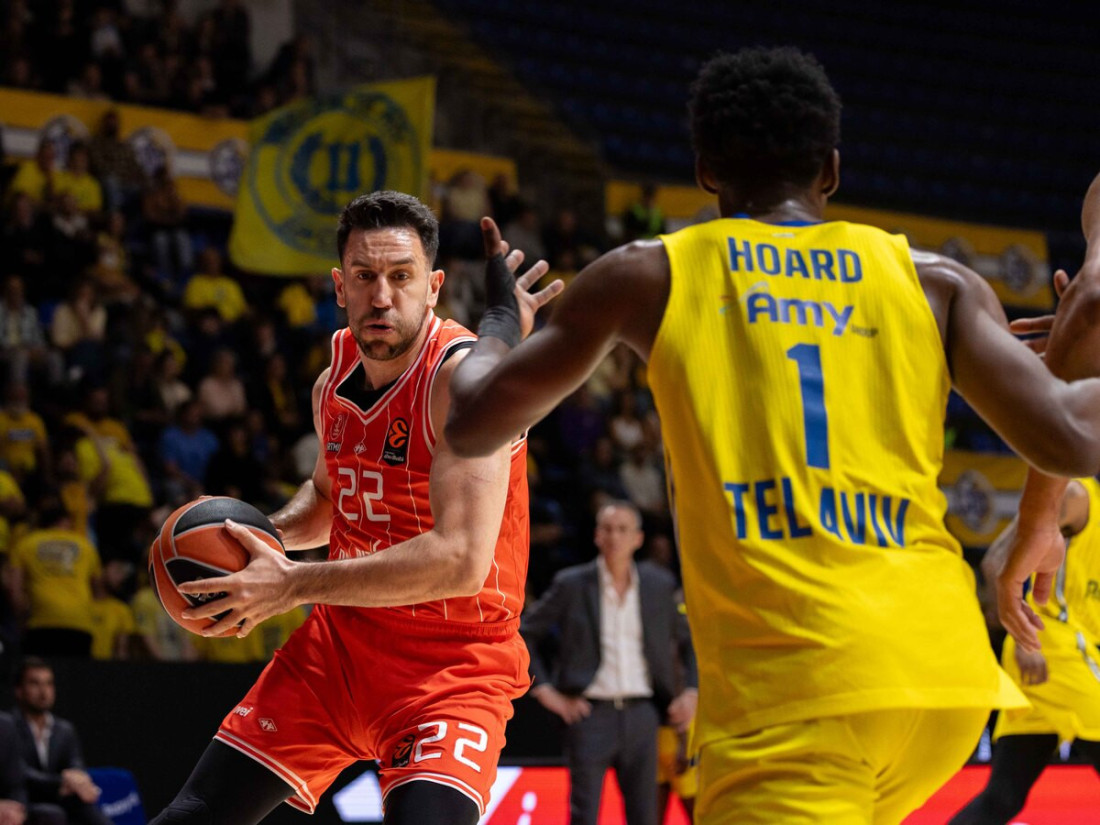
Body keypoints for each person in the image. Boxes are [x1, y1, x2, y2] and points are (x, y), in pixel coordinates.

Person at [446, 46, 1100, 824]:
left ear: (705, 170)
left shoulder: (648, 274)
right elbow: (1067, 434)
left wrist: (498, 318)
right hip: (940, 680)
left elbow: (472, 421)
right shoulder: (936, 282)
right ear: (831, 169)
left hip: (797, 692)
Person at [148, 190, 558, 825]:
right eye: (365, 276)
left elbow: (460, 561)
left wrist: (292, 584)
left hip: (451, 667)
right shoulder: (333, 378)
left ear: (433, 287)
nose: (382, 296)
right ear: (340, 287)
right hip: (339, 651)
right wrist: (255, 542)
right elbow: (327, 497)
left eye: (401, 276)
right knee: (194, 816)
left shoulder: (458, 380)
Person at [521, 500, 696, 825]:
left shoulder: (658, 585)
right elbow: (523, 633)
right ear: (597, 536)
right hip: (590, 715)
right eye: (608, 529)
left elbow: (689, 642)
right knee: (584, 815)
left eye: (623, 529)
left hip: (643, 714)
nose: (615, 536)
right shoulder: (572, 583)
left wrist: (691, 691)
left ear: (638, 538)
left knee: (645, 816)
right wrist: (546, 692)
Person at [949, 478, 1100, 824]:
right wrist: (1022, 637)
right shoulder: (1076, 495)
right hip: (1054, 650)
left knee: (1003, 798)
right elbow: (996, 560)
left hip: (1059, 660)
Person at [11, 658, 111, 825]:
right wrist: (62, 781)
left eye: (49, 684)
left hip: (61, 797)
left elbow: (76, 764)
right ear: (19, 690)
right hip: (24, 800)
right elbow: (18, 772)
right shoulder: (8, 726)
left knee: (86, 806)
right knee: (52, 814)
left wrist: (78, 779)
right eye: (35, 684)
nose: (44, 692)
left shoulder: (64, 730)